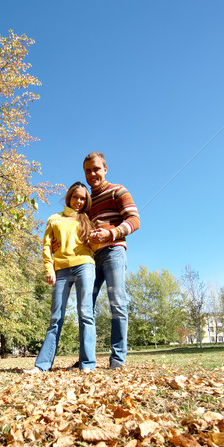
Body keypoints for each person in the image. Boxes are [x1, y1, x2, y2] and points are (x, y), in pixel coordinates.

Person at [75, 151, 140, 369]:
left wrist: (111, 234)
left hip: (114, 252)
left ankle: (118, 359)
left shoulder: (117, 190)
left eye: (96, 168)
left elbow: (134, 219)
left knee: (117, 303)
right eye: (88, 170)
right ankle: (86, 360)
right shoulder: (87, 202)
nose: (92, 173)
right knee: (85, 306)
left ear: (105, 169)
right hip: (91, 259)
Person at [24, 182, 96, 374]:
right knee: (56, 317)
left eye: (83, 198)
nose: (79, 201)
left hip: (85, 266)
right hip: (61, 270)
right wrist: (49, 269)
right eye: (75, 197)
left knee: (86, 313)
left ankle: (87, 365)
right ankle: (42, 365)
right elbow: (47, 246)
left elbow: (95, 246)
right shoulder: (54, 219)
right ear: (69, 197)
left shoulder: (87, 220)